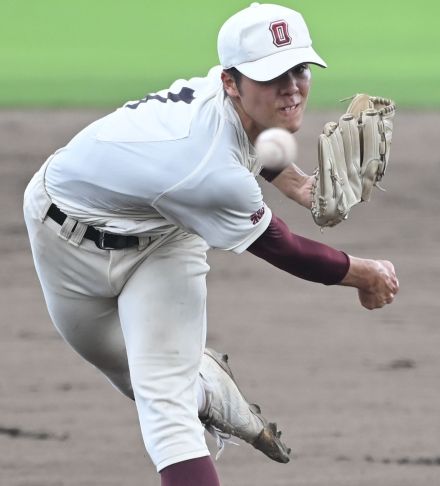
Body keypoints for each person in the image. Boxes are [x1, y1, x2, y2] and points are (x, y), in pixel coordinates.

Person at [23, 3, 399, 485]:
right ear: (231, 82)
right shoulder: (205, 167)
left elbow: (250, 143)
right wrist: (365, 273)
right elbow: (280, 246)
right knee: (130, 377)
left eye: (299, 69)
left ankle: (191, 390)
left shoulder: (223, 104)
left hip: (165, 243)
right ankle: (210, 392)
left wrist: (301, 186)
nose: (291, 87)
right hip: (63, 243)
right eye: (272, 76)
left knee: (165, 406)